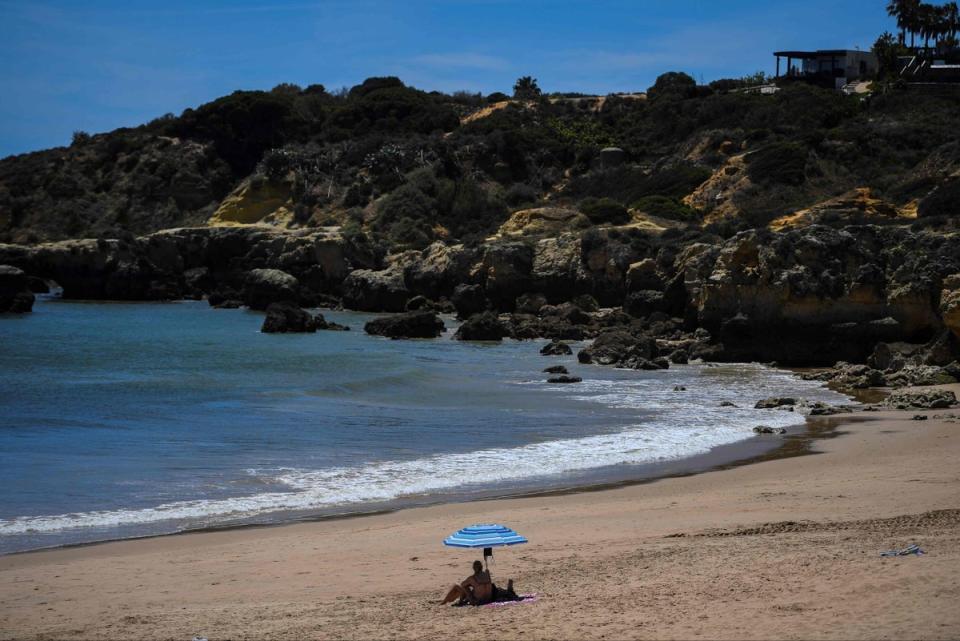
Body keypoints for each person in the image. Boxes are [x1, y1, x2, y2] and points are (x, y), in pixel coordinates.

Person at [439, 560, 519, 606]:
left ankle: (443, 602)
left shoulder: (472, 578)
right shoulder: (487, 574)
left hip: (476, 601)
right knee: (467, 588)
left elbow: (463, 585)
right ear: (482, 567)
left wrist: (470, 586)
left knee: (456, 586)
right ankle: (454, 600)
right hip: (489, 599)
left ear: (474, 568)